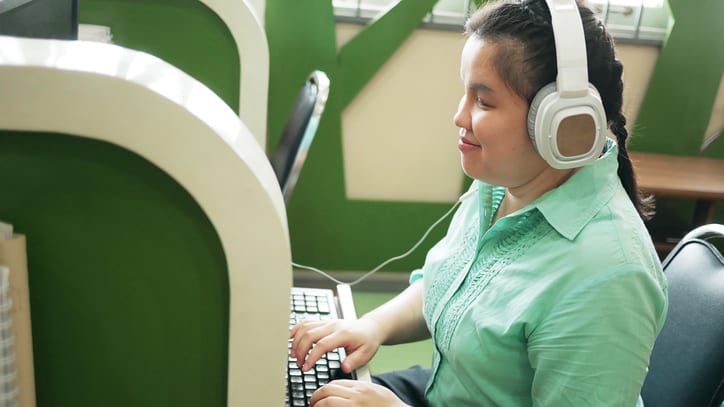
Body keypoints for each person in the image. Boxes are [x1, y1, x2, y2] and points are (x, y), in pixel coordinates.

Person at [289, 0, 668, 405]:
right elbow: (449, 285)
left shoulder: (608, 277)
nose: (459, 116)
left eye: (483, 102)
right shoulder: (503, 183)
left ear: (562, 124)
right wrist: (371, 325)